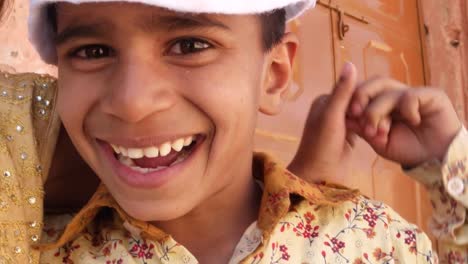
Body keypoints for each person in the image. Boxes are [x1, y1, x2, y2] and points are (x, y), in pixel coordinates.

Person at [0, 0, 465, 263]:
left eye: (189, 45)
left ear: (275, 75)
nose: (132, 103)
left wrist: (453, 168)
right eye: (93, 50)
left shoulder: (377, 241)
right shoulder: (40, 250)